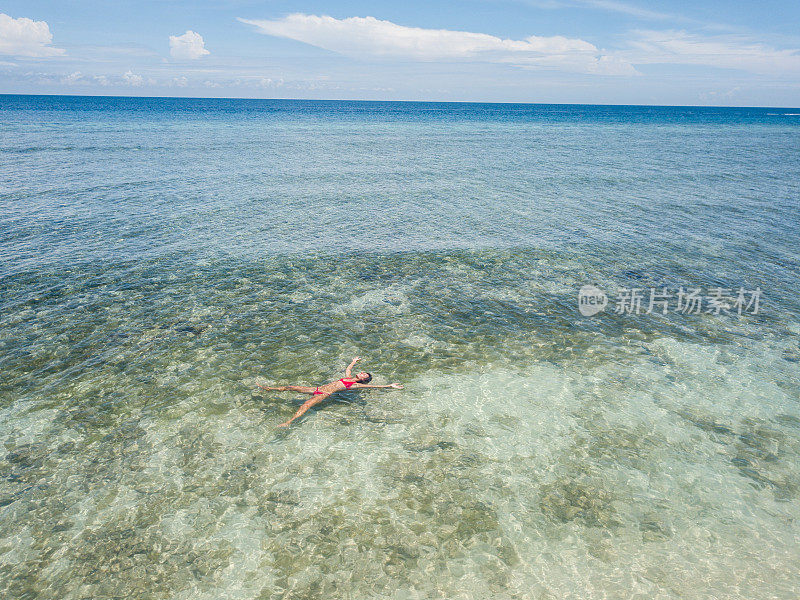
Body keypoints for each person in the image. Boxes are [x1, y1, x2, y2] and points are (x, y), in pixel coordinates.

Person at [258, 357, 403, 427]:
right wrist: (353, 361)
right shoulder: (348, 378)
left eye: (365, 376)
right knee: (290, 387)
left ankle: (288, 422)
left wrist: (390, 386)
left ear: (363, 381)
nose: (363, 373)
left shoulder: (356, 386)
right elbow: (348, 370)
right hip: (317, 389)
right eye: (364, 372)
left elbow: (374, 387)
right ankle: (269, 389)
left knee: (305, 406)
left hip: (323, 394)